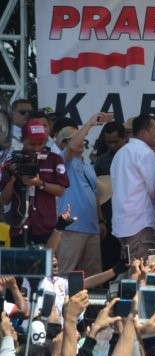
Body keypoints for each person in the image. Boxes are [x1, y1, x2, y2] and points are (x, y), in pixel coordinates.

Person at [0, 119, 69, 247]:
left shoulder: (54, 159)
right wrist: (13, 179)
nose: (36, 148)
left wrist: (39, 183)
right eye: (32, 144)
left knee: (46, 265)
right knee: (20, 266)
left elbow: (60, 190)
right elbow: (3, 200)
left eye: (40, 143)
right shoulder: (11, 161)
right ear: (22, 140)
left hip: (45, 225)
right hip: (19, 226)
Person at [54, 117, 105, 275]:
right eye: (75, 138)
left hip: (91, 227)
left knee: (93, 277)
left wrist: (101, 220)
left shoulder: (87, 165)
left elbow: (94, 195)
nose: (82, 140)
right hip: (70, 227)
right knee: (64, 275)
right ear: (63, 144)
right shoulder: (61, 160)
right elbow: (72, 147)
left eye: (82, 137)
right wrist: (89, 123)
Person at [110, 115, 155, 261]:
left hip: (123, 223)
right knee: (143, 274)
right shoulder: (145, 153)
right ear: (144, 133)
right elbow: (154, 189)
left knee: (130, 270)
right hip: (140, 223)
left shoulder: (121, 152)